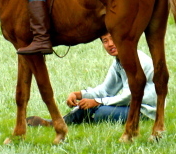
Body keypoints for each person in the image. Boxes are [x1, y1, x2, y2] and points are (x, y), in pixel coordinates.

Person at [26, 34, 157, 126]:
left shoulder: (136, 60)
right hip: (132, 107)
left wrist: (96, 102)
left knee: (98, 111)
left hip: (144, 111)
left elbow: (130, 96)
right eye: (105, 41)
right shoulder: (119, 61)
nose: (110, 44)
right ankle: (57, 122)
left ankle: (56, 123)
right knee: (90, 107)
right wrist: (79, 94)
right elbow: (105, 90)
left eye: (112, 38)